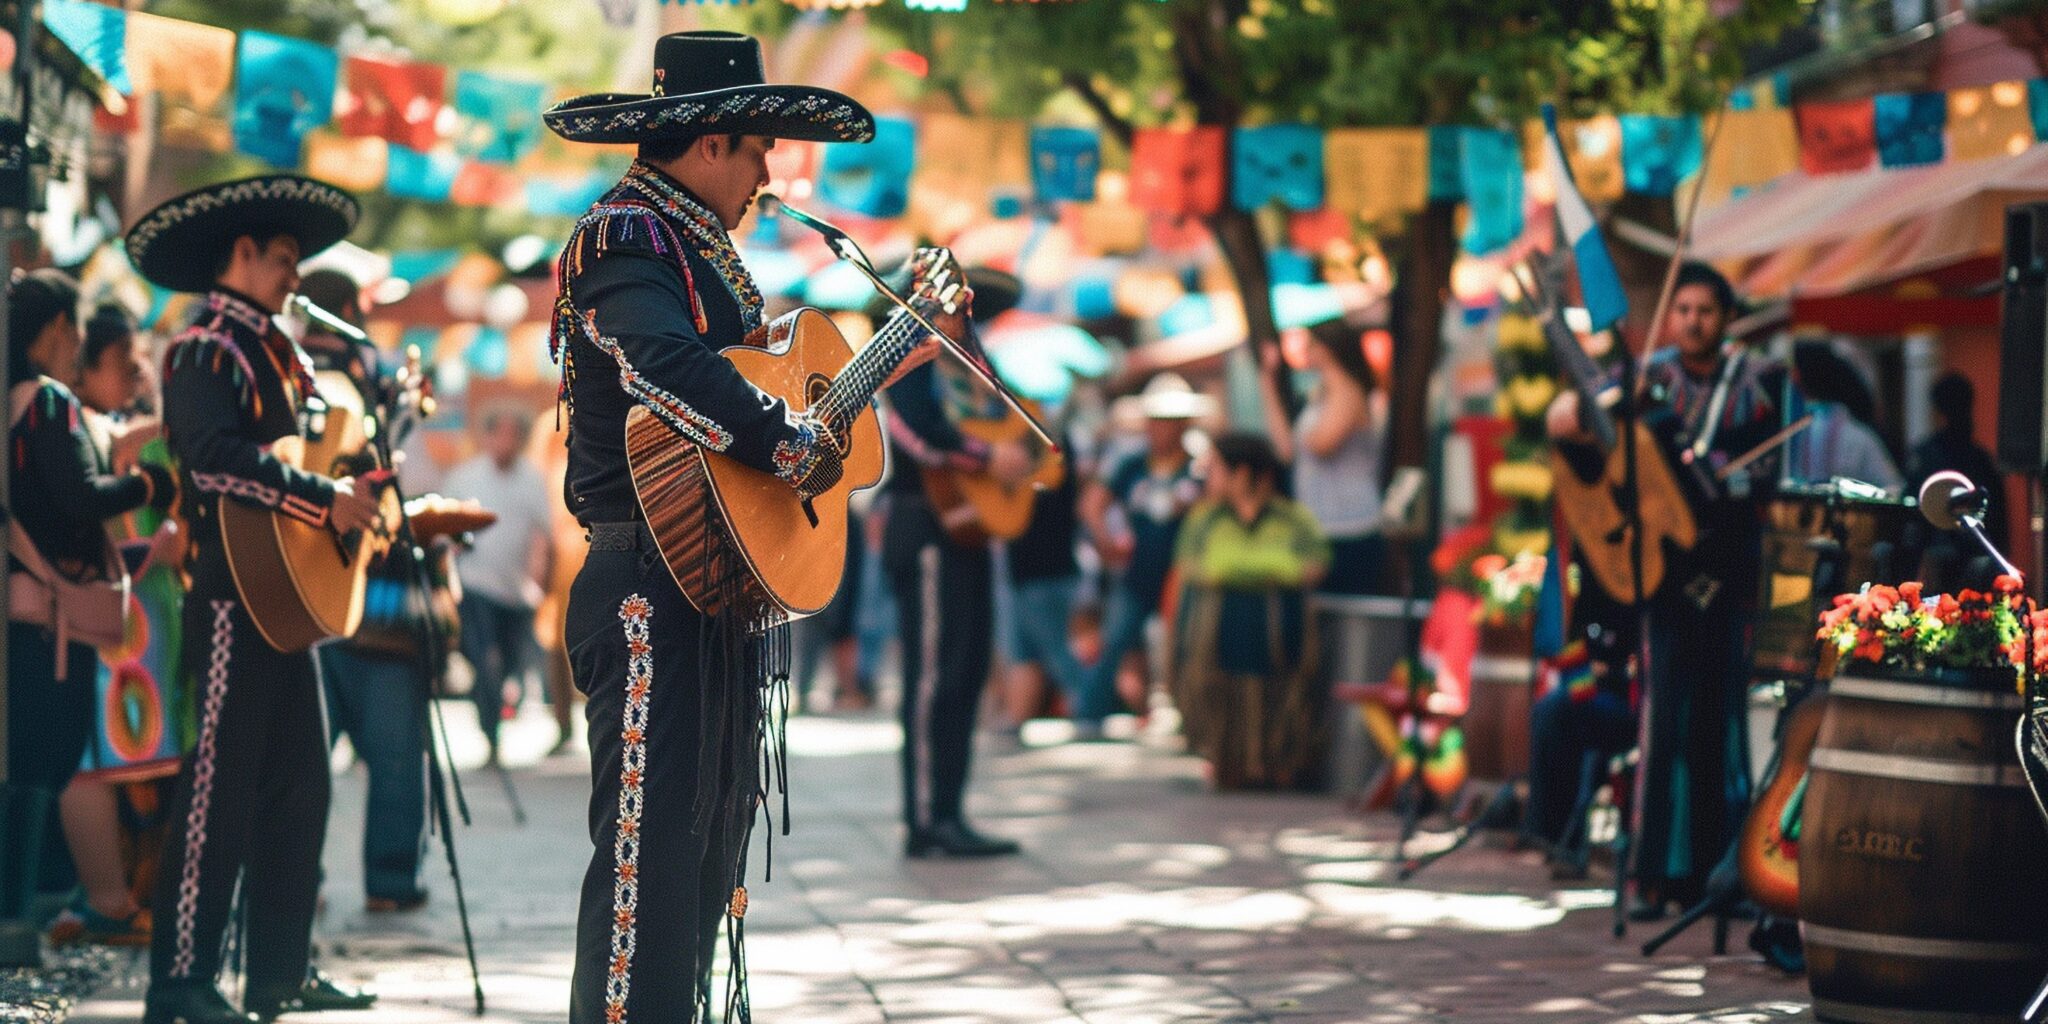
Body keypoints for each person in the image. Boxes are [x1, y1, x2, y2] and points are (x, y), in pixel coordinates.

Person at [540, 31, 944, 1021]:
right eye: (759, 145)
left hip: (702, 585)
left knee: (704, 846)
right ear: (711, 139)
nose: (770, 170)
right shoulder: (628, 236)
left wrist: (843, 395)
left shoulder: (689, 242)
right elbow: (663, 368)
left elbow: (733, 402)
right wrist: (785, 440)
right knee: (646, 861)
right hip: (644, 590)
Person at [126, 176, 380, 1024]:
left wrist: (354, 483)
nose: (294, 276)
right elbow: (209, 460)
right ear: (240, 255)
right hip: (233, 602)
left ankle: (277, 974)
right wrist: (322, 498)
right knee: (217, 792)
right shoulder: (203, 347)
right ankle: (181, 983)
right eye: (281, 260)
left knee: (302, 789)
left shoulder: (279, 347)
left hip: (285, 604)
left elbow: (311, 448)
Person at [1545, 261, 1787, 919]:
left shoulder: (1761, 382)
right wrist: (1585, 404)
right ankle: (1652, 877)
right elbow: (1566, 419)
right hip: (1662, 577)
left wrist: (1720, 478)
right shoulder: (1647, 379)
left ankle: (1721, 877)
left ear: (1726, 317)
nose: (1692, 322)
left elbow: (1773, 470)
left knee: (1722, 726)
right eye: (1682, 310)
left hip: (1730, 570)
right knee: (1661, 726)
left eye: (1705, 311)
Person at [3, 272, 172, 931]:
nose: (77, 343)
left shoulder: (12, 400)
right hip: (51, 622)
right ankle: (20, 918)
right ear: (55, 332)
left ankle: (21, 918)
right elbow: (80, 499)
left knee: (30, 768)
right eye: (74, 330)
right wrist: (146, 485)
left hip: (29, 615)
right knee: (46, 765)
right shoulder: (47, 403)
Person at [294, 268, 439, 915]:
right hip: (374, 600)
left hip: (299, 599)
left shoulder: (286, 375)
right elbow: (379, 480)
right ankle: (389, 882)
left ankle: (298, 879)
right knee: (396, 756)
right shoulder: (364, 378)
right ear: (351, 311)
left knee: (300, 762)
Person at [879, 266, 1035, 857]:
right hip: (926, 522)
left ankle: (949, 809)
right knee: (932, 678)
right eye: (954, 307)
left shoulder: (972, 364)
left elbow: (1010, 423)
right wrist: (984, 457)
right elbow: (918, 431)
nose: (965, 318)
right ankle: (926, 818)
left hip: (966, 530)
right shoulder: (908, 359)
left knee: (966, 671)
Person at [49, 302, 171, 948]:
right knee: (91, 766)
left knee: (111, 768)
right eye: (126, 363)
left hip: (129, 637)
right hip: (103, 629)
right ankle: (105, 899)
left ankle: (109, 895)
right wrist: (156, 547)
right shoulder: (76, 429)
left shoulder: (104, 427)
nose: (137, 372)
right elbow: (83, 534)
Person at [1170, 433, 1329, 789]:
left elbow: (1314, 566)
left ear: (1241, 474)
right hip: (1219, 636)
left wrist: (1234, 566)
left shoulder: (1293, 519)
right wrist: (1274, 566)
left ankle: (1275, 764)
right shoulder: (1204, 519)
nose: (1207, 479)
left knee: (1280, 696)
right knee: (1222, 697)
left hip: (1279, 638)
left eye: (1215, 470)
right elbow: (1198, 568)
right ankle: (1228, 764)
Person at [1077, 374, 1212, 735]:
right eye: (1156, 421)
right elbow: (1093, 503)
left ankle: (1192, 720)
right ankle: (1090, 714)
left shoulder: (1201, 466)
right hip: (1138, 570)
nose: (1162, 429)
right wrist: (1106, 542)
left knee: (1187, 646)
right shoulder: (1131, 463)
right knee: (1117, 639)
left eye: (1170, 422)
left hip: (1184, 572)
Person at [443, 404, 552, 764]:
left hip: (515, 592)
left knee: (507, 666)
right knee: (484, 660)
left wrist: (538, 585)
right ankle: (489, 732)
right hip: (475, 587)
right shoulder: (465, 477)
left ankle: (496, 725)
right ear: (487, 436)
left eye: (513, 434)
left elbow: (542, 536)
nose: (505, 442)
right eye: (499, 433)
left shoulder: (532, 480)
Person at [1260, 322, 1389, 594]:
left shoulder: (1348, 391)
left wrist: (1330, 379)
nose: (1305, 350)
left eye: (1312, 343)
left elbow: (1322, 444)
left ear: (1330, 348)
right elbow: (1286, 450)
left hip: (1352, 527)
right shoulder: (1320, 395)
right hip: (1319, 525)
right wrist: (1268, 384)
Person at [998, 429, 1086, 733]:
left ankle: (1088, 708)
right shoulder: (1031, 438)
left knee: (1055, 649)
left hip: (1045, 570)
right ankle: (1017, 717)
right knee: (1025, 651)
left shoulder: (1048, 444)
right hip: (1027, 570)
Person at [1907, 372, 2007, 590]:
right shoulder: (1982, 459)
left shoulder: (1926, 455)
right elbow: (1999, 526)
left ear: (1937, 410)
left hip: (1936, 565)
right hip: (1979, 567)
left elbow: (1912, 513)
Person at [1785, 339, 1902, 492]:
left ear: (1798, 376)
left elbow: (1892, 487)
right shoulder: (1858, 434)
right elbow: (1893, 486)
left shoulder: (1795, 428)